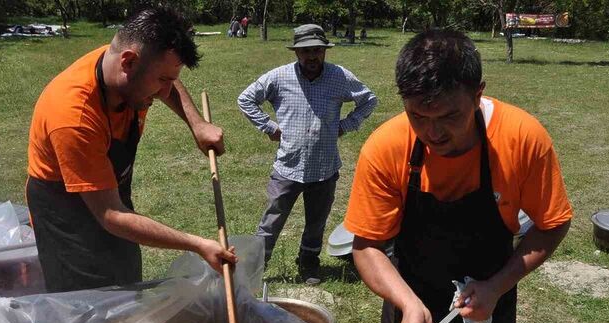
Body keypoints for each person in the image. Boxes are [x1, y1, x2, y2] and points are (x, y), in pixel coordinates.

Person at [344, 29, 572, 323]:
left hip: (487, 309)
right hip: (409, 301)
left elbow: (552, 224)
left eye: (449, 117)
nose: (433, 133)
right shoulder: (386, 147)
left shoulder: (521, 139)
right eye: (418, 116)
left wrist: (496, 286)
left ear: (478, 94)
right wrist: (406, 303)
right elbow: (367, 245)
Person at [26, 7, 236, 293]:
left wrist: (197, 124)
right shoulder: (73, 117)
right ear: (128, 62)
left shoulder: (134, 63)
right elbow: (111, 215)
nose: (165, 92)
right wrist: (196, 244)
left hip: (112, 196)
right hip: (67, 214)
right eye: (161, 80)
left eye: (170, 79)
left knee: (126, 286)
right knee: (86, 312)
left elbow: (169, 79)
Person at [237, 24, 377, 283]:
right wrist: (268, 127)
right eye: (305, 51)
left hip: (324, 167)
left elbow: (368, 99)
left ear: (324, 51)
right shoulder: (279, 77)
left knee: (316, 221)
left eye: (317, 50)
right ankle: (255, 266)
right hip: (288, 167)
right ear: (296, 53)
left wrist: (346, 125)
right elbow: (246, 98)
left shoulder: (339, 77)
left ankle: (308, 263)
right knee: (272, 220)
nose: (312, 56)